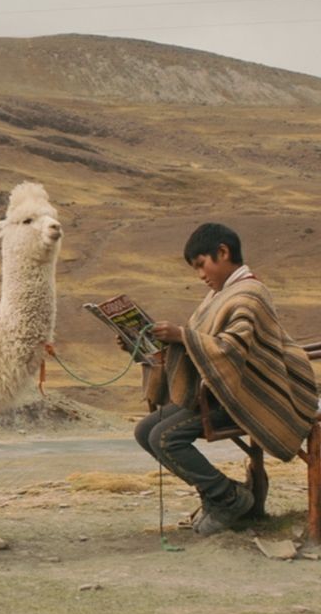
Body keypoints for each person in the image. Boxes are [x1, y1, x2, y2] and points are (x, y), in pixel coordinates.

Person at [124, 222, 318, 536]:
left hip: (251, 395)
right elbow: (200, 346)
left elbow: (230, 350)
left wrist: (182, 335)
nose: (200, 275)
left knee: (164, 437)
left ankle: (227, 500)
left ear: (223, 252)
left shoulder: (249, 294)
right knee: (146, 430)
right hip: (220, 390)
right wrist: (142, 343)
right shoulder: (220, 294)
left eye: (201, 265)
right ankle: (225, 494)